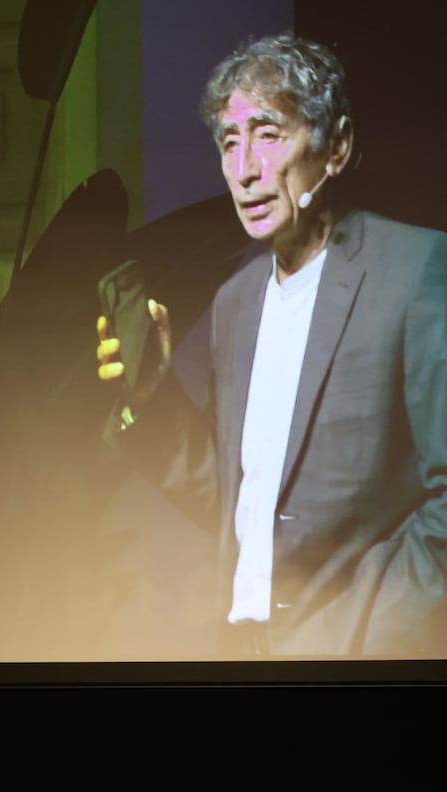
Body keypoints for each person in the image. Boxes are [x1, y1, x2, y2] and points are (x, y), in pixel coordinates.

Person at [96, 31, 447, 659]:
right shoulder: (237, 302)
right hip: (246, 656)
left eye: (268, 134)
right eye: (230, 142)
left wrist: (372, 632)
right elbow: (242, 502)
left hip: (361, 660)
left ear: (335, 146)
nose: (243, 169)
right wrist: (150, 397)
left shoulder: (416, 268)